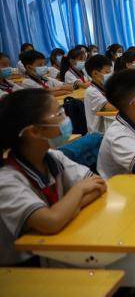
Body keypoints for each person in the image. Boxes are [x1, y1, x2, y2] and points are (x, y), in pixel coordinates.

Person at [0, 89, 107, 266]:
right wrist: (78, 191)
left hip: (57, 249)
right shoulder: (6, 181)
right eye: (59, 113)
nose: (65, 119)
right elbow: (51, 222)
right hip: (23, 268)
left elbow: (98, 184)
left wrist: (64, 210)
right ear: (34, 131)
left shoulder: (53, 157)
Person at [84, 55, 116, 134]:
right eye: (107, 72)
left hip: (108, 127)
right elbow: (111, 107)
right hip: (98, 135)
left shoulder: (105, 88)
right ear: (95, 73)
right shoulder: (91, 91)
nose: (110, 75)